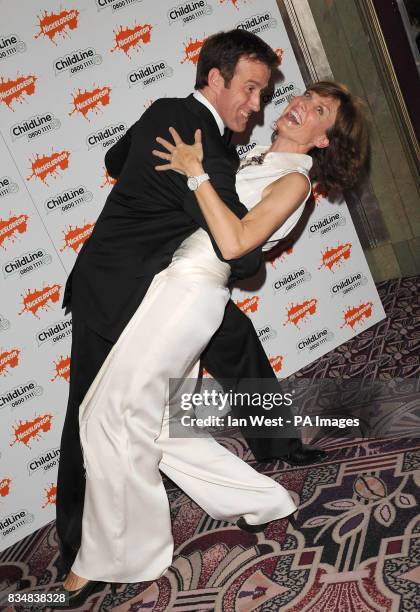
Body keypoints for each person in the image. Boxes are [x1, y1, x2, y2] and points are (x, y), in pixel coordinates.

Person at [60, 76, 369, 604]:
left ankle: (118, 555)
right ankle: (263, 499)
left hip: (191, 296)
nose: (300, 106)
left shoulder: (295, 181)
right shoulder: (251, 160)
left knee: (107, 416)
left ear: (324, 140)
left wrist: (197, 173)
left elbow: (235, 244)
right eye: (304, 98)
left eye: (318, 110)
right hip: (167, 287)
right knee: (154, 422)